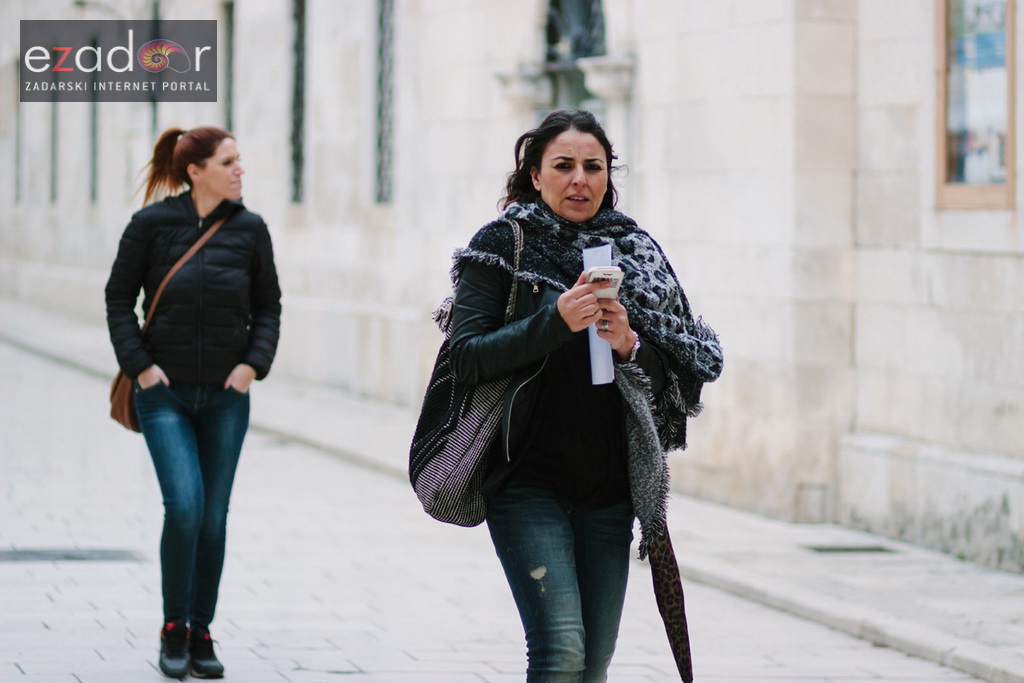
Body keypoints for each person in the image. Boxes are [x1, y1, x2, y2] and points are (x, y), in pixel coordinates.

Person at [446, 110, 723, 682]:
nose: (580, 179)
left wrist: (630, 345)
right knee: (561, 650)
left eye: (593, 167)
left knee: (593, 663)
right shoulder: (502, 245)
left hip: (609, 490)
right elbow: (466, 356)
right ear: (535, 175)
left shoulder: (635, 251)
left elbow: (684, 367)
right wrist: (554, 321)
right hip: (524, 480)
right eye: (563, 166)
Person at [105, 126, 281, 680]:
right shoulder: (150, 225)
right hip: (166, 395)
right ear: (195, 171)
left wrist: (252, 365)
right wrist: (141, 368)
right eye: (228, 162)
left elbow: (269, 305)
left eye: (239, 160)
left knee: (213, 518)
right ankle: (172, 627)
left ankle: (200, 631)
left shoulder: (250, 229)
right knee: (184, 507)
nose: (239, 170)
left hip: (227, 397)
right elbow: (118, 298)